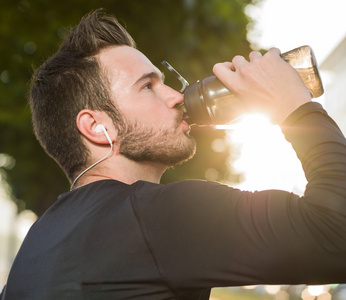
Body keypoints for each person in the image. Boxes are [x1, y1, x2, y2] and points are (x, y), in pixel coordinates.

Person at [1, 9, 346, 300]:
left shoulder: (37, 244)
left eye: (165, 81)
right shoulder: (159, 215)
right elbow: (338, 237)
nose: (176, 96)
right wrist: (295, 106)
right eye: (147, 86)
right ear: (96, 126)